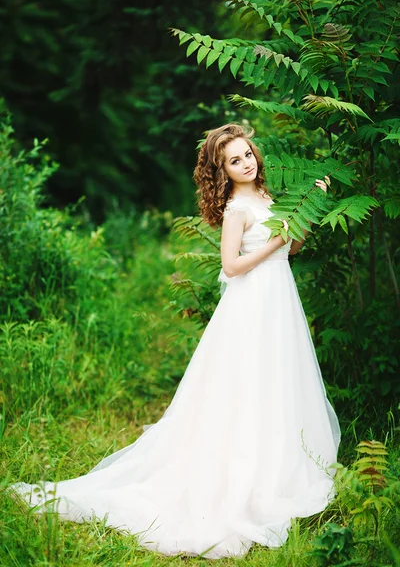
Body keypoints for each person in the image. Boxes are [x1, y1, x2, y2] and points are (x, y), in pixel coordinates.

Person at [10, 123, 341, 560]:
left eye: (248, 154)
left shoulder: (267, 198)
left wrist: (307, 213)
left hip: (281, 300)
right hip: (252, 303)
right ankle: (236, 475)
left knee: (278, 382)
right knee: (245, 386)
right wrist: (278, 239)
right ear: (222, 170)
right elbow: (232, 266)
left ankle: (278, 469)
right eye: (235, 160)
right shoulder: (237, 208)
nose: (247, 163)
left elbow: (291, 250)